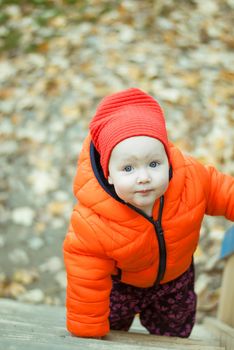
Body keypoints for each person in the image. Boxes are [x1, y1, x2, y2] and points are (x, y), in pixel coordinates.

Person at [63, 88, 234, 339]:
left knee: (174, 334)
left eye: (154, 164)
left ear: (167, 158)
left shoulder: (191, 179)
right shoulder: (92, 220)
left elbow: (225, 191)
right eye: (128, 168)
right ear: (108, 174)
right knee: (111, 331)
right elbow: (86, 274)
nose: (143, 177)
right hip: (122, 285)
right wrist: (87, 330)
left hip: (175, 281)